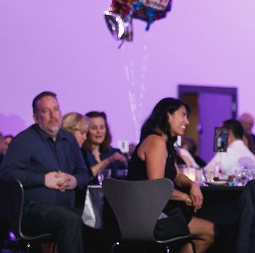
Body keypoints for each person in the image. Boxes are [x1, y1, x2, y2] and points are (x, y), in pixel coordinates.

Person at [0, 91, 90, 253]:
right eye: (45, 111)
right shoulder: (24, 140)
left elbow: (84, 173)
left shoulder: (69, 140)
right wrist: (43, 179)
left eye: (56, 110)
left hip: (65, 207)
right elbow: (7, 173)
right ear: (35, 117)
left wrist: (74, 181)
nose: (53, 115)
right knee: (70, 221)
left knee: (97, 221)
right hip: (32, 211)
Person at [127, 98, 214, 252]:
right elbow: (158, 187)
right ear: (168, 115)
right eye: (183, 115)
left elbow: (177, 175)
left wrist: (192, 185)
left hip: (154, 211)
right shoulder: (156, 142)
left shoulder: (164, 143)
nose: (187, 122)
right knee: (209, 232)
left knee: (193, 239)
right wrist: (186, 197)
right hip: (150, 216)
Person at [82, 111, 127, 181]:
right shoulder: (81, 153)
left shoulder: (114, 153)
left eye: (102, 127)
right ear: (85, 130)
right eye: (94, 128)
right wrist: (108, 160)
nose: (99, 131)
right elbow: (85, 176)